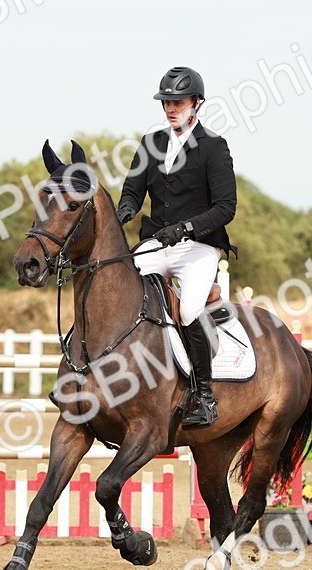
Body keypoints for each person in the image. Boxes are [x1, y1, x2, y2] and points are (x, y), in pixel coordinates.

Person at [117, 66, 237, 430]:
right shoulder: (150, 143)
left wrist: (186, 228)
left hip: (197, 247)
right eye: (166, 103)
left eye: (178, 102)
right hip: (155, 243)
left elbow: (226, 207)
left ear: (196, 103)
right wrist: (124, 210)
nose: (171, 109)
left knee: (188, 310)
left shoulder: (213, 146)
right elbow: (133, 190)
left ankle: (205, 397)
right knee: (118, 293)